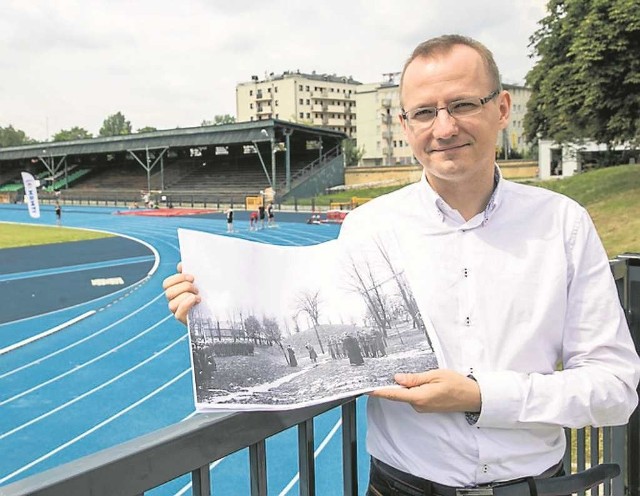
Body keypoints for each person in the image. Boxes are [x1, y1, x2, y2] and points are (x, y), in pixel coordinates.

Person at [163, 34, 640, 495]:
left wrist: (481, 396)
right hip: (400, 488)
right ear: (405, 124)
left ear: (502, 108)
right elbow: (314, 330)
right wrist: (216, 303)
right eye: (425, 112)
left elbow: (615, 388)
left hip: (537, 485)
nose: (445, 127)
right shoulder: (368, 227)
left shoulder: (562, 224)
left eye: (463, 104)